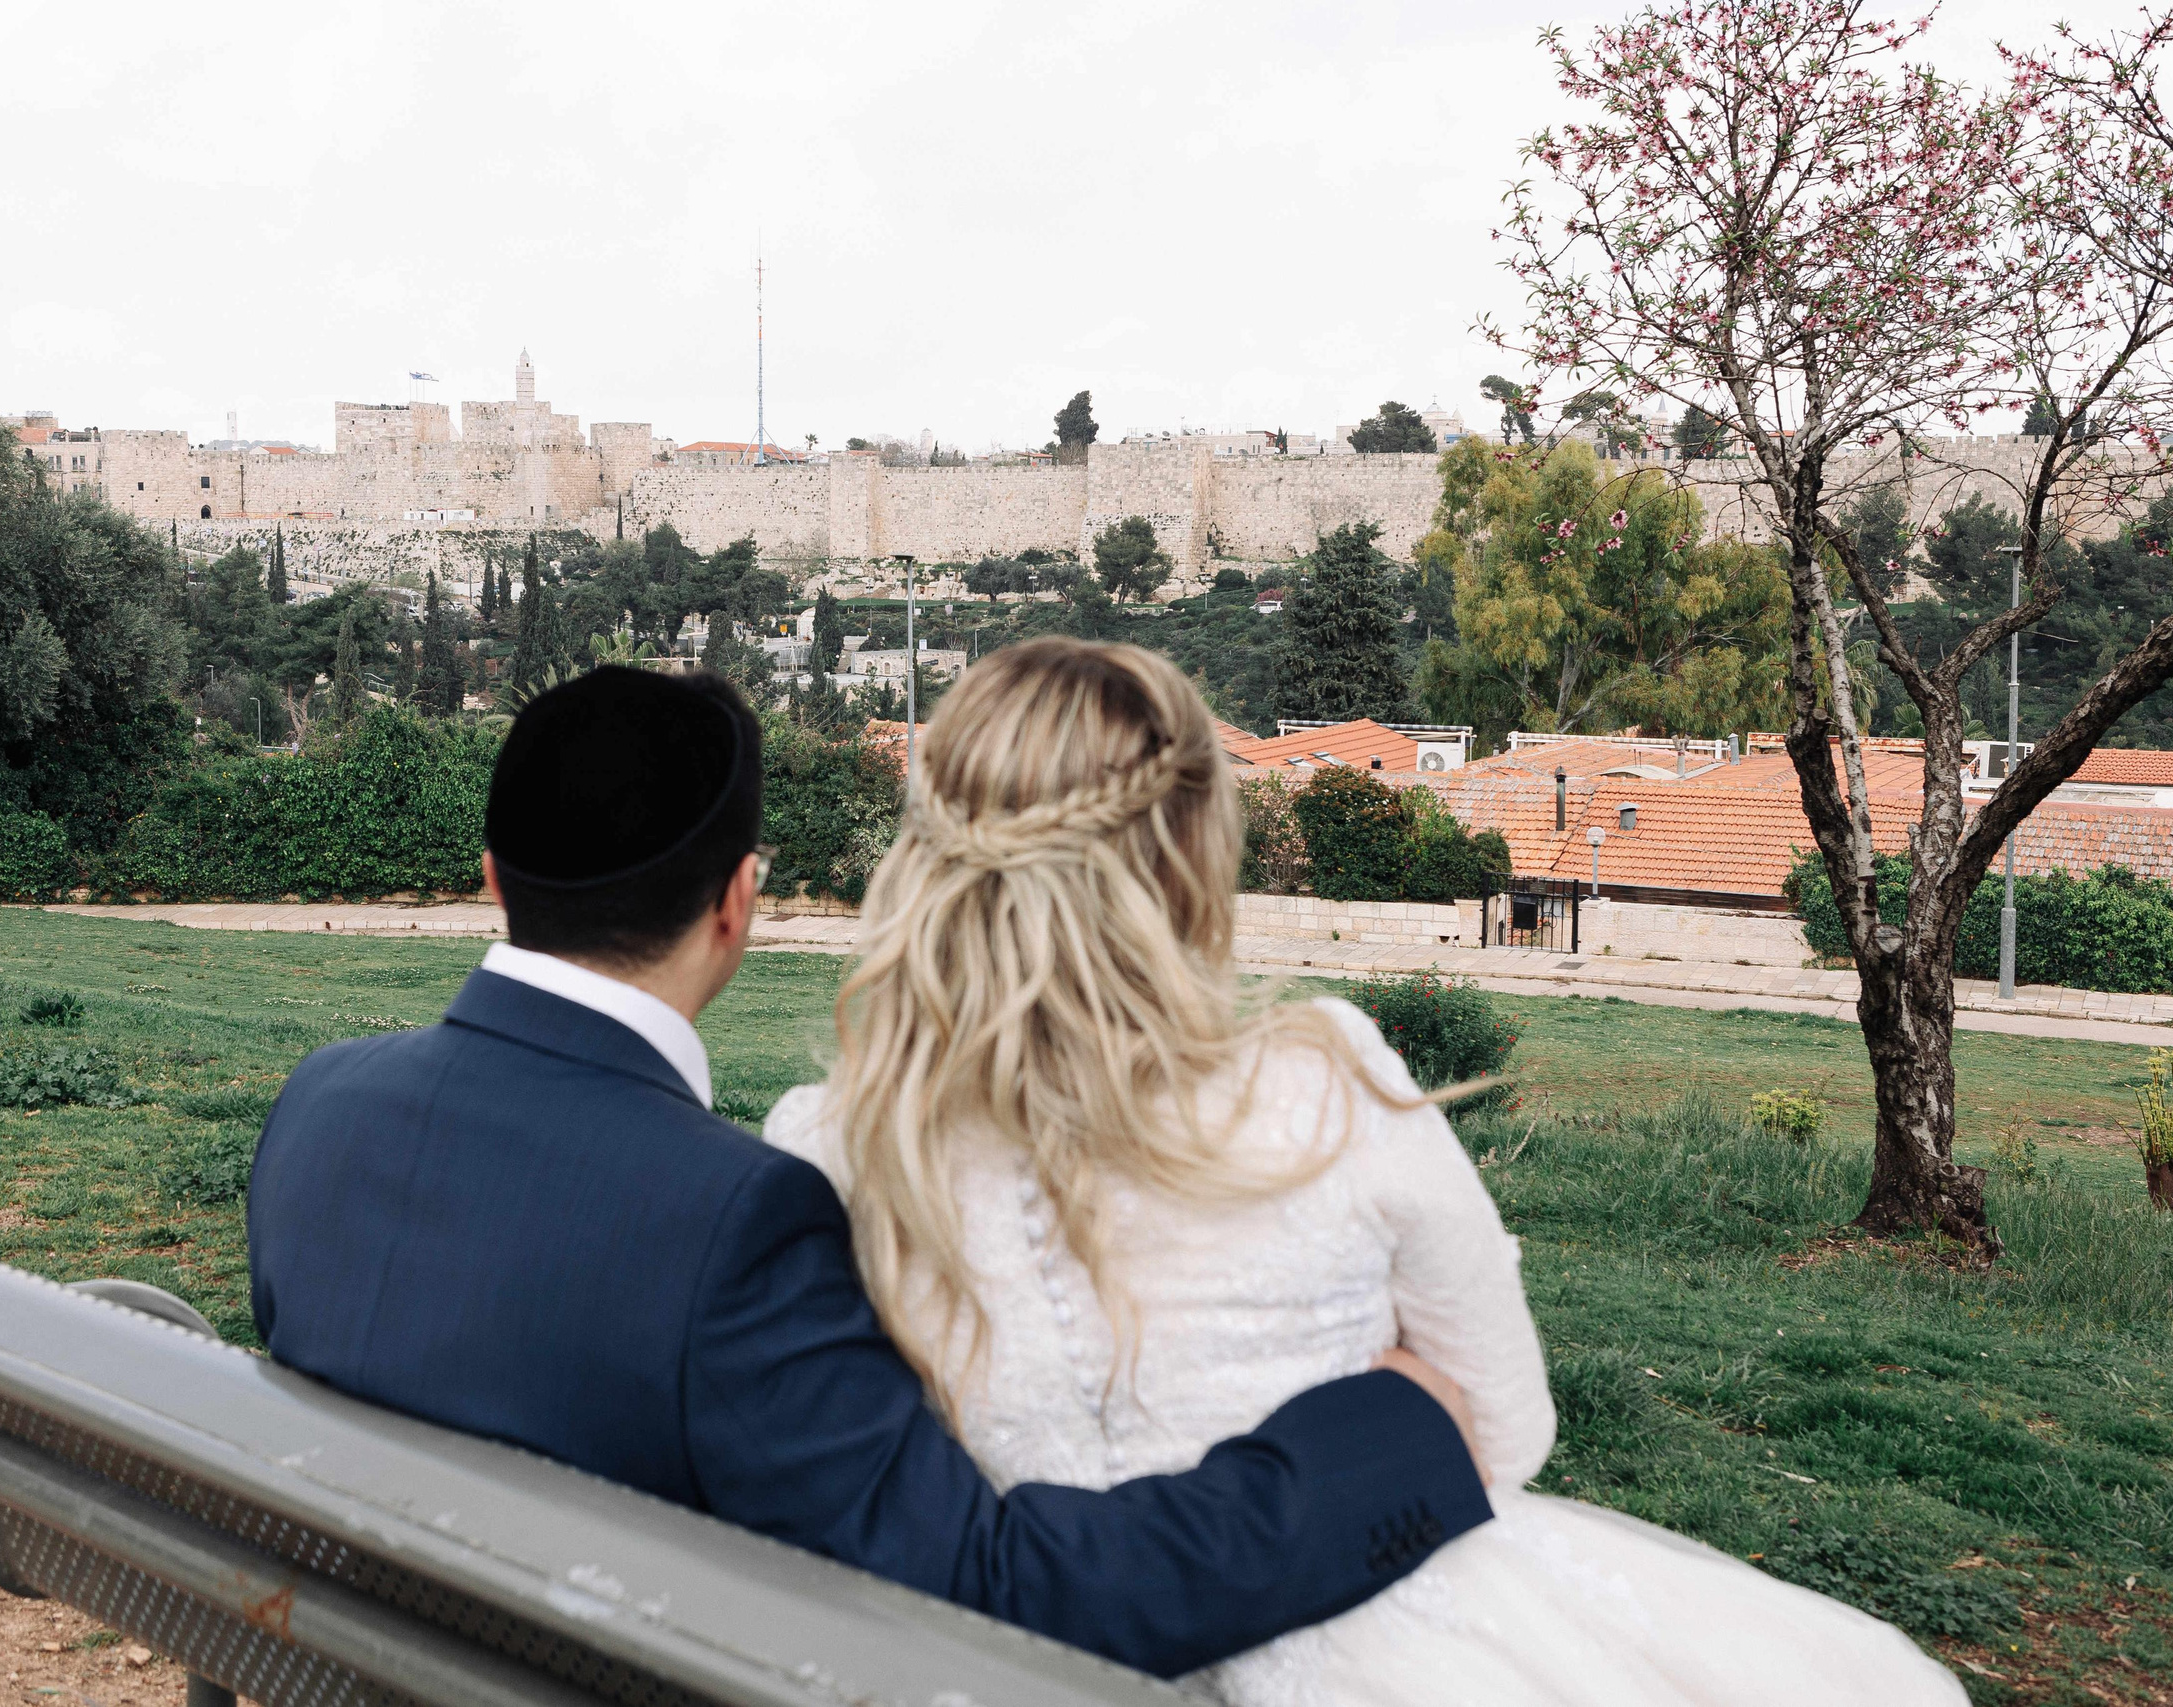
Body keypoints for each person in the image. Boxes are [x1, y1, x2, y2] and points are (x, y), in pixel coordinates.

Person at [764, 638, 1969, 1707]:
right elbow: (1504, 1422)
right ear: (1192, 856)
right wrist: (1383, 1412)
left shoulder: (829, 1145)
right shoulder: (1321, 1079)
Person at [245, 664, 1493, 1680]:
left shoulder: (321, 1106)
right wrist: (1386, 1442)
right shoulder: (730, 1221)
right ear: (737, 904)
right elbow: (988, 1596)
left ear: (491, 879)